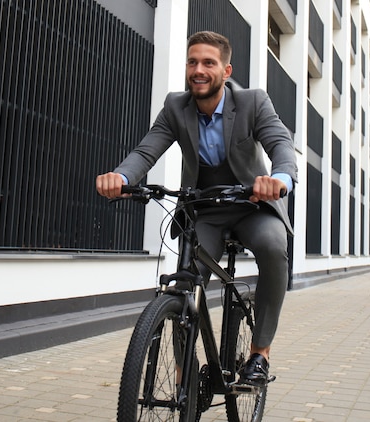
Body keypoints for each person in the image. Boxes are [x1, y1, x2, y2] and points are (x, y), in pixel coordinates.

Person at [96, 31, 298, 386]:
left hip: (251, 205)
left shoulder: (252, 101)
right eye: (192, 62)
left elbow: (280, 142)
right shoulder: (176, 106)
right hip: (204, 209)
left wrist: (279, 179)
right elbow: (146, 151)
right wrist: (120, 176)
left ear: (226, 69)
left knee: (273, 246)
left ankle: (260, 352)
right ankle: (184, 371)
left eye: (208, 62)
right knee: (184, 282)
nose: (198, 70)